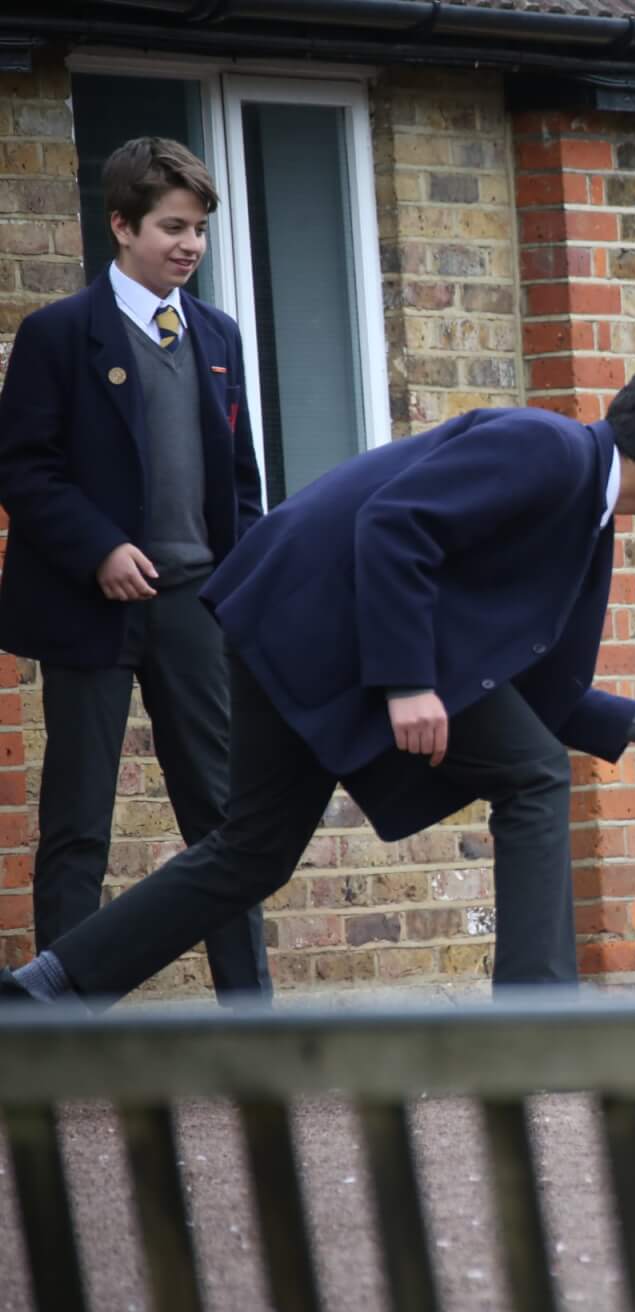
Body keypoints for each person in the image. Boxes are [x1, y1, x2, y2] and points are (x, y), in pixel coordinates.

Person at [0, 365, 635, 1004]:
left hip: (301, 632)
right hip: (308, 623)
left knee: (251, 853)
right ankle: (537, 1022)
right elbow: (395, 524)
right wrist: (408, 682)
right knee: (533, 776)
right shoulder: (546, 448)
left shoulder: (586, 521)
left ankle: (44, 992)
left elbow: (542, 698)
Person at [0, 137, 272, 1003]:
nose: (189, 246)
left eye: (197, 230)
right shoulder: (57, 336)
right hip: (89, 606)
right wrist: (100, 549)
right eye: (170, 228)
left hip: (199, 607)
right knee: (78, 821)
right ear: (121, 226)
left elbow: (240, 483)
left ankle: (252, 1018)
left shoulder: (219, 336)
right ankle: (65, 1029)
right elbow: (22, 468)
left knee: (225, 822)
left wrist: (251, 589)